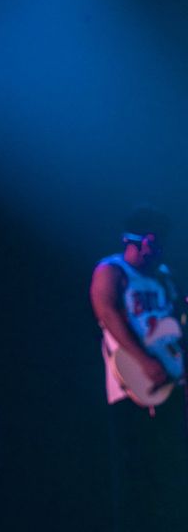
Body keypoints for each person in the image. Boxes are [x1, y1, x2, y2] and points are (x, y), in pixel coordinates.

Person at [90, 207, 188, 531]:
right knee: (137, 480)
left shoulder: (162, 276)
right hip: (132, 388)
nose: (156, 249)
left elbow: (173, 324)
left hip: (171, 382)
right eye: (152, 241)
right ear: (139, 239)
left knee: (172, 476)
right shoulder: (111, 270)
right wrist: (145, 361)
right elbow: (106, 310)